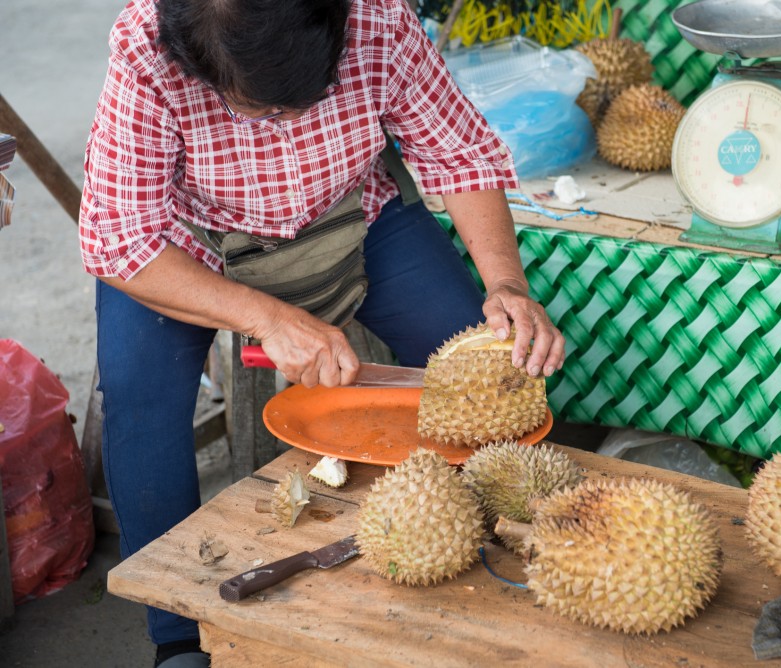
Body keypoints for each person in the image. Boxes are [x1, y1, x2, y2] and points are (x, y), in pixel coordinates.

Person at [78, 0, 565, 665]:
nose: (281, 125)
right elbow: (119, 236)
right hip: (187, 246)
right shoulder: (146, 41)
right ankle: (178, 636)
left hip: (348, 209)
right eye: (261, 111)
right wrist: (267, 318)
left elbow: (460, 153)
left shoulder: (377, 15)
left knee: (485, 363)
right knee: (139, 403)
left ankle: (492, 560)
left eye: (299, 103)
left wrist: (507, 284)